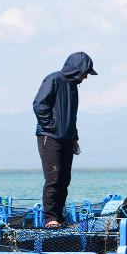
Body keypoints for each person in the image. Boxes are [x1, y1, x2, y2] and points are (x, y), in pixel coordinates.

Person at [32, 52, 97, 227]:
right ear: (78, 69)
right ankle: (50, 219)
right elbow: (39, 104)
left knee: (64, 178)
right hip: (50, 137)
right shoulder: (53, 79)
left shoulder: (73, 87)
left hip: (67, 139)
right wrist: (51, 127)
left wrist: (74, 138)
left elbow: (71, 116)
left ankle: (59, 218)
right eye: (85, 73)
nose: (85, 77)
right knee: (54, 176)